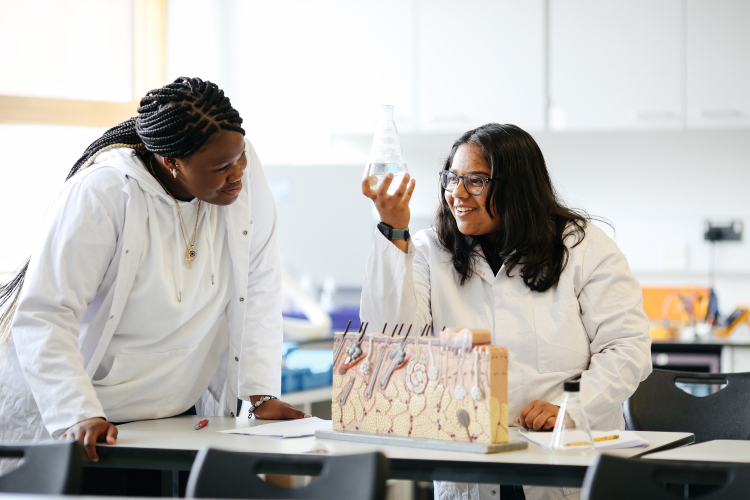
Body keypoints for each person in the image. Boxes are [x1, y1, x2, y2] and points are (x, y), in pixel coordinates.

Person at [0, 77, 306, 467]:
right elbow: (46, 312)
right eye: (221, 168)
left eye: (240, 159)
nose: (238, 176)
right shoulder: (104, 193)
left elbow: (259, 279)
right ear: (172, 162)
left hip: (172, 418)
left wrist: (260, 393)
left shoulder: (238, 172)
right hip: (91, 419)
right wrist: (76, 412)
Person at [360, 123, 652, 500]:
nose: (458, 194)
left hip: (565, 463)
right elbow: (390, 338)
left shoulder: (583, 247)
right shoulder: (431, 250)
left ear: (517, 187)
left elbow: (628, 349)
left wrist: (570, 407)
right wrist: (393, 231)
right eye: (452, 178)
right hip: (470, 466)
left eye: (476, 181)